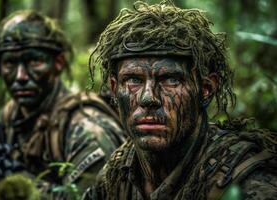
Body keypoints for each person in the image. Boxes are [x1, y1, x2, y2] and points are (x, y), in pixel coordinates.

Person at [83, 1, 277, 200]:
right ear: (115, 90)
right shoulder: (118, 172)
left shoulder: (247, 182)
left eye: (170, 79)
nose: (149, 98)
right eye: (134, 80)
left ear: (205, 89)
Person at [0, 10, 124, 196]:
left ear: (58, 63)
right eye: (10, 63)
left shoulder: (87, 128)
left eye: (34, 61)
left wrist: (23, 187)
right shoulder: (12, 114)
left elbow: (88, 196)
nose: (20, 76)